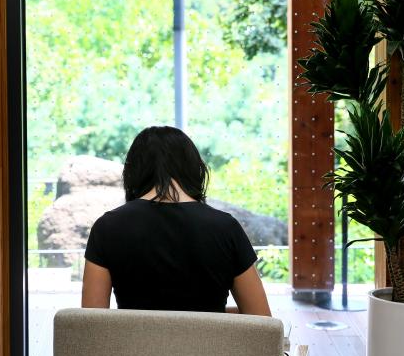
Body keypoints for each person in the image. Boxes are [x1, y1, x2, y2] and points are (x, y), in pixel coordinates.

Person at [81, 126, 271, 316]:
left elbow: (91, 325)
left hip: (136, 345)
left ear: (133, 171)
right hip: (207, 346)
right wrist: (215, 314)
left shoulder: (107, 228)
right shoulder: (226, 227)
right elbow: (261, 322)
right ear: (193, 167)